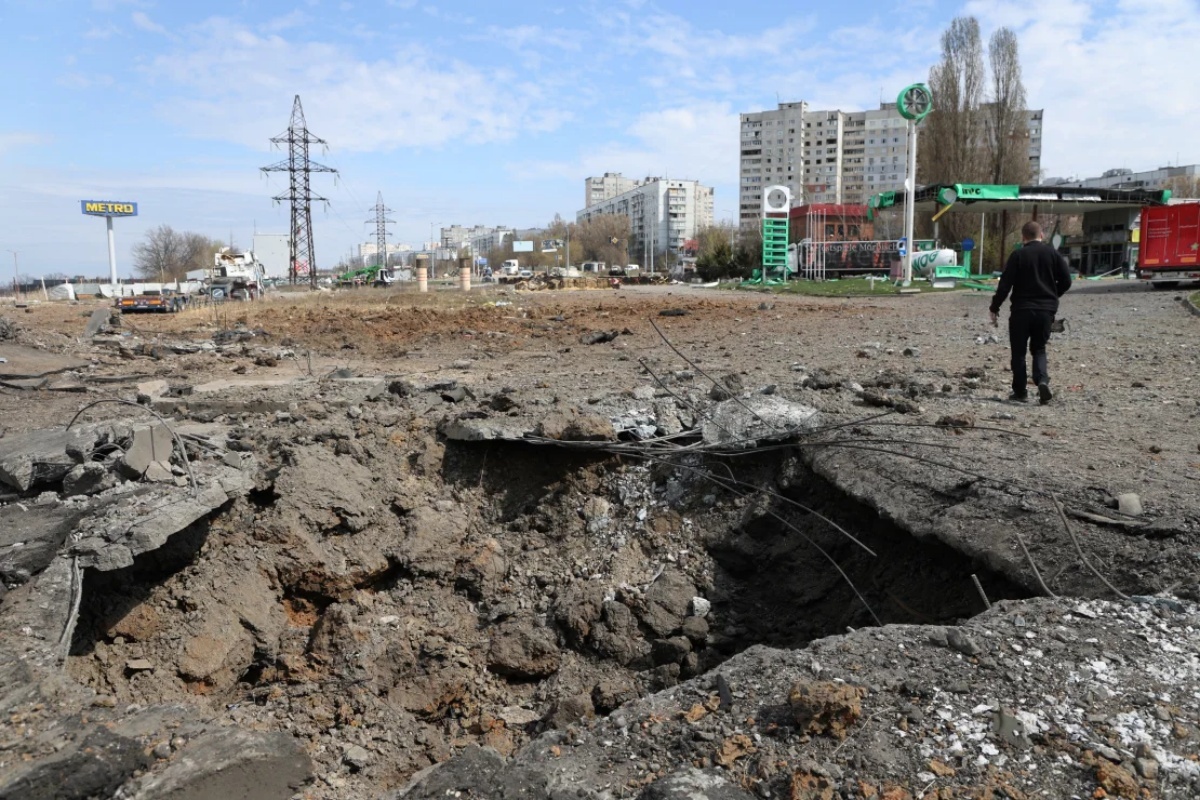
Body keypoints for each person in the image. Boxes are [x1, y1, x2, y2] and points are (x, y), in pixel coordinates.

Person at [989, 221, 1072, 405]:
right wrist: (1052, 295)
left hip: (1021, 311)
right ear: (1041, 235)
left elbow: (1005, 286)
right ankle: (1042, 380)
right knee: (1039, 349)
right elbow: (1067, 280)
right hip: (1045, 311)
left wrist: (994, 307)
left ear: (1023, 237)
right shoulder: (1052, 254)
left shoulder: (1018, 255)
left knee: (1018, 352)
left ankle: (1020, 392)